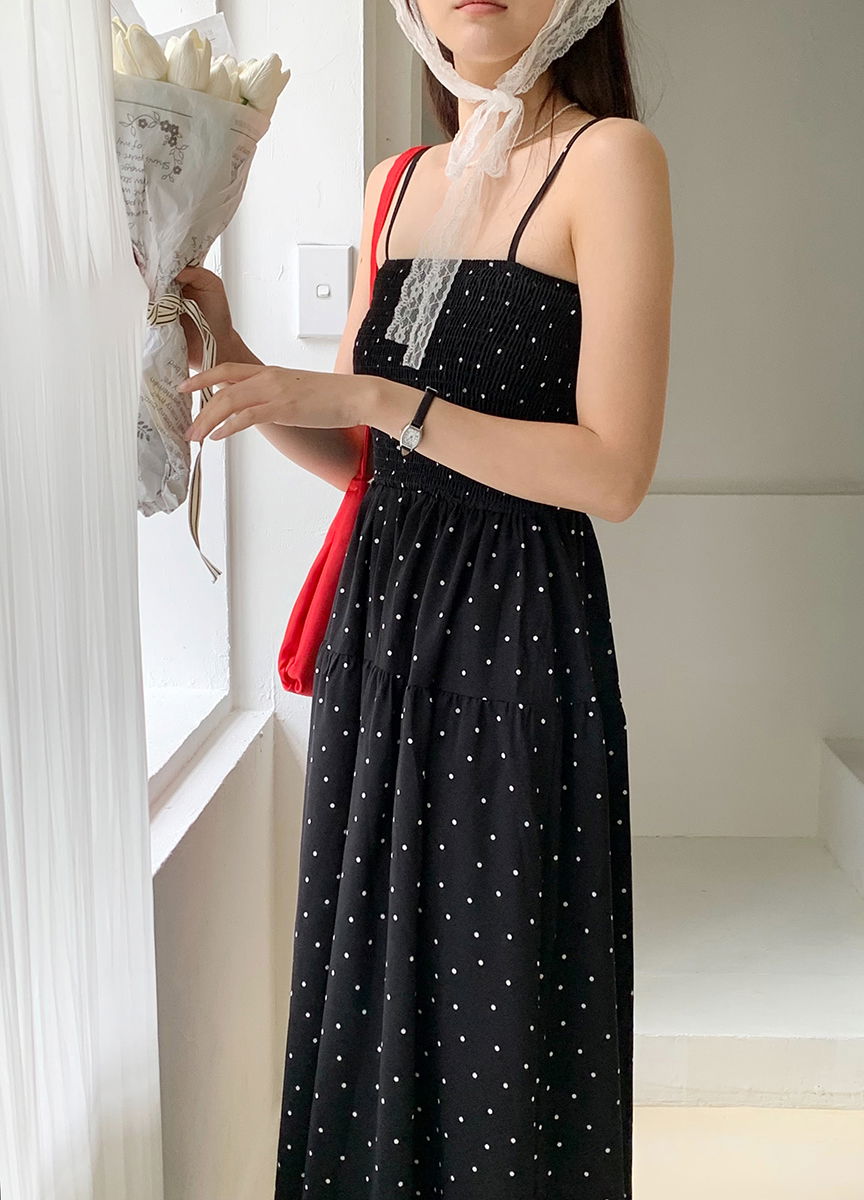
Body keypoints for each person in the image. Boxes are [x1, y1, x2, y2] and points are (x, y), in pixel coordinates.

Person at [176, 2, 673, 1195]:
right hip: (383, 634)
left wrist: (377, 399)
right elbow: (374, 459)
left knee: (498, 996)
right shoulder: (396, 183)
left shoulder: (611, 160)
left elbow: (613, 472)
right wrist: (239, 357)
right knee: (374, 983)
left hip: (517, 631)